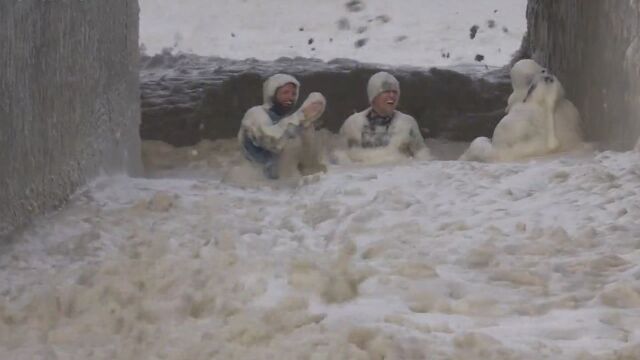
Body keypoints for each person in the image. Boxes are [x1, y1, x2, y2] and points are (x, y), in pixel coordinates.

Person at [237, 73, 326, 179]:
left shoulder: (287, 119)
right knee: (294, 139)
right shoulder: (256, 113)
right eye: (285, 92)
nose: (290, 97)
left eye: (293, 94)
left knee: (306, 128)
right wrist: (300, 116)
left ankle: (309, 175)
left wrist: (307, 119)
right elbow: (272, 140)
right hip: (257, 176)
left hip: (282, 174)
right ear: (272, 93)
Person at [339, 71, 431, 162]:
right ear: (373, 96)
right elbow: (340, 154)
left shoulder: (407, 123)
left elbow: (421, 154)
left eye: (395, 92)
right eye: (386, 91)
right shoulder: (353, 123)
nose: (392, 96)